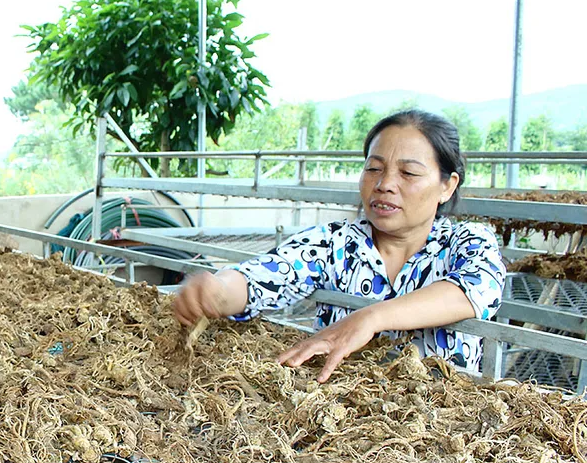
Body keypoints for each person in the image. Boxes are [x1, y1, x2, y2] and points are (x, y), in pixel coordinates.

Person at [173, 109, 505, 382]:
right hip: (340, 415)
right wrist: (217, 289)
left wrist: (370, 318)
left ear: (447, 186)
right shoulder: (335, 243)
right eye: (374, 169)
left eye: (408, 173)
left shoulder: (468, 242)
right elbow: (267, 274)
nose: (385, 184)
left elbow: (478, 288)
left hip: (442, 426)